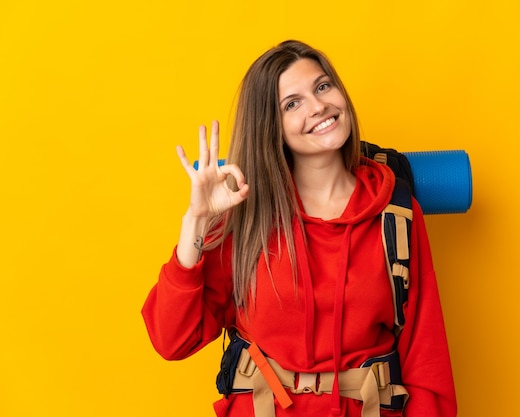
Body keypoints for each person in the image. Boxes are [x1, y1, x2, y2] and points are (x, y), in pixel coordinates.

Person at [142, 40, 457, 417]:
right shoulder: (244, 215)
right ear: (270, 127)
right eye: (292, 104)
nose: (318, 106)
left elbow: (427, 359)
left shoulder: (396, 213)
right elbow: (172, 340)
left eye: (323, 86)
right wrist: (196, 221)